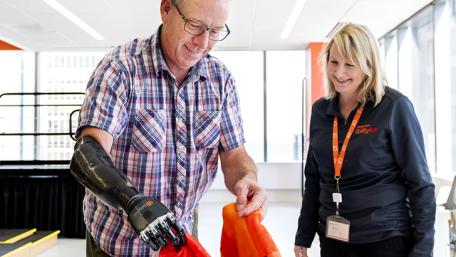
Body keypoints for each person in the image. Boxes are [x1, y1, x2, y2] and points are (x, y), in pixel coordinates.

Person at [69, 0, 268, 256]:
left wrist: (246, 179)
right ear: (166, 9)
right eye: (194, 25)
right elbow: (88, 153)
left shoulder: (221, 79)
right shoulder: (121, 67)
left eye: (215, 31)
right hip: (118, 244)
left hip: (181, 238)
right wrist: (133, 201)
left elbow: (234, 155)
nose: (202, 42)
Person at [294, 23, 435, 257]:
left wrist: (423, 250)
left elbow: (420, 184)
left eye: (350, 64)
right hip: (333, 239)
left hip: (384, 238)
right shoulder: (320, 111)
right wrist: (304, 234)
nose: (339, 73)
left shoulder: (394, 107)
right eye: (334, 62)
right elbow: (314, 178)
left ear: (369, 65)